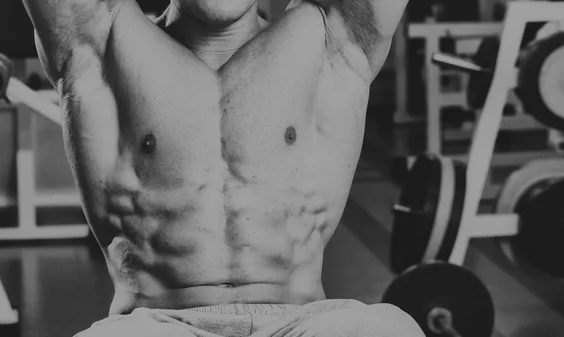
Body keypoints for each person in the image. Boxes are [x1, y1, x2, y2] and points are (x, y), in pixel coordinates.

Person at [21, 0, 423, 335]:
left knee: (389, 328)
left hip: (302, 323)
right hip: (158, 323)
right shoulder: (101, 42)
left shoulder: (330, 38)